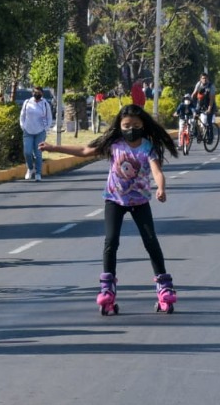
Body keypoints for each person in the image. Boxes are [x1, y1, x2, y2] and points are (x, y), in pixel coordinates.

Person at [40, 104, 180, 312]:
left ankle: (164, 286)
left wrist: (161, 188)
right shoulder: (114, 143)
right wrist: (54, 148)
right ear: (119, 126)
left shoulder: (147, 147)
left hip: (140, 201)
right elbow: (85, 150)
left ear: (143, 125)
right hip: (114, 199)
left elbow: (157, 171)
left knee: (151, 241)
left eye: (135, 125)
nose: (130, 128)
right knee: (111, 241)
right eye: (126, 125)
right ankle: (107, 289)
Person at [19, 85, 54, 181]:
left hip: (40, 132)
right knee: (27, 152)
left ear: (42, 93)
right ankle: (30, 169)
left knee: (38, 153)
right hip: (28, 131)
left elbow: (49, 117)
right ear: (32, 93)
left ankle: (38, 173)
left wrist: (45, 128)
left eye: (38, 92)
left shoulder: (45, 104)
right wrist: (23, 126)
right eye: (34, 92)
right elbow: (22, 115)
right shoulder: (27, 102)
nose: (36, 94)